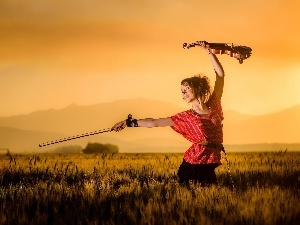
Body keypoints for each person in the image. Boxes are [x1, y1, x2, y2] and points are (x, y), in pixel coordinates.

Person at [111, 41, 225, 186]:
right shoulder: (186, 117)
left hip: (211, 160)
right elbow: (154, 122)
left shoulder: (214, 105)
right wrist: (127, 123)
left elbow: (220, 75)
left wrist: (208, 51)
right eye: (181, 91)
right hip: (193, 164)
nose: (183, 93)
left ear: (197, 88)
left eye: (186, 89)